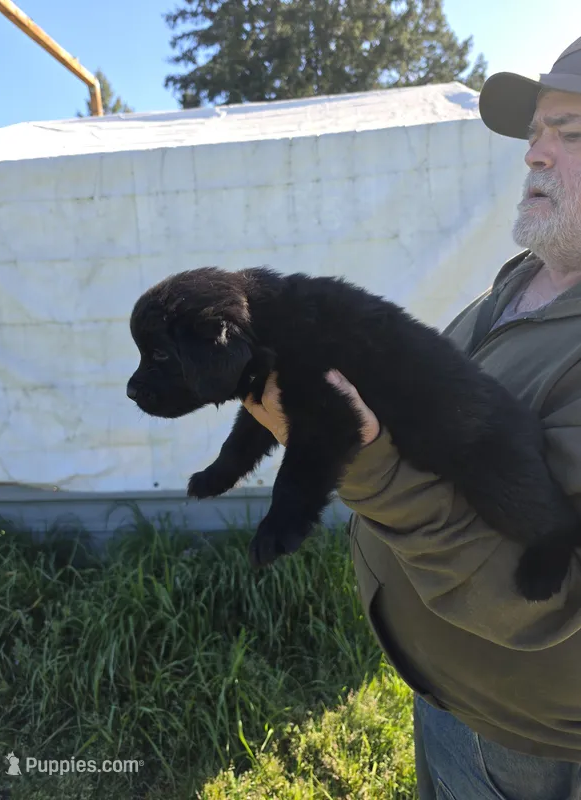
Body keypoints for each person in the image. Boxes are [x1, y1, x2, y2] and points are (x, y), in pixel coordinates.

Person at [242, 36, 581, 800]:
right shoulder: (521, 280)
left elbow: (553, 603)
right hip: (444, 695)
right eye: (534, 135)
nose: (534, 154)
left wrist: (362, 462)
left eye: (572, 134)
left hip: (530, 745)